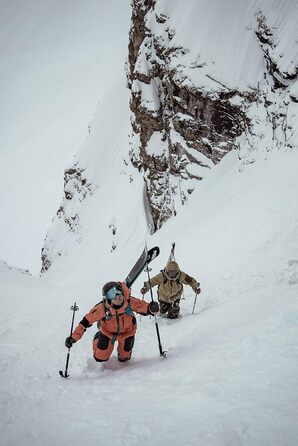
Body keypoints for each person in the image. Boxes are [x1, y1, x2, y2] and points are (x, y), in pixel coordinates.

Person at [65, 281, 159, 363]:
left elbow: (143, 306)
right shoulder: (102, 308)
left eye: (119, 295)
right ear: (109, 299)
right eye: (114, 297)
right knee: (100, 358)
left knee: (124, 358)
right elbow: (85, 322)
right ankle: (97, 337)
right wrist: (73, 338)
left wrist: (151, 308)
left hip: (127, 332)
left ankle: (123, 354)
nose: (118, 298)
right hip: (108, 333)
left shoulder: (129, 302)